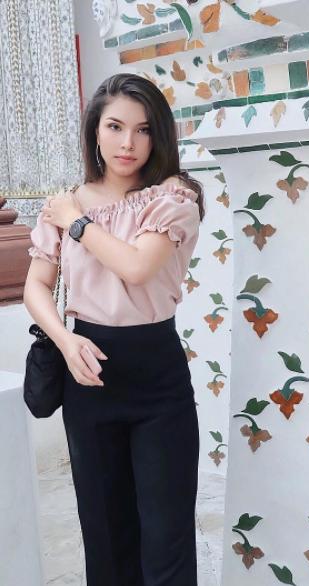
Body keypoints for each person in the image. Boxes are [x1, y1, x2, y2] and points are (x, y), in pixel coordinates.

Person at [23, 73, 203, 586]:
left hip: (158, 377)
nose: (128, 143)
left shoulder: (173, 197)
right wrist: (65, 340)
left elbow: (136, 267)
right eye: (115, 127)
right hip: (88, 373)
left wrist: (77, 222)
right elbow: (37, 285)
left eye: (143, 130)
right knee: (105, 535)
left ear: (158, 136)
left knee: (166, 539)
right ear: (95, 131)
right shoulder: (62, 204)